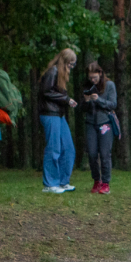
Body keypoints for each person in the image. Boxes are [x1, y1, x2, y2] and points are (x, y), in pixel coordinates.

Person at [39, 48, 78, 194]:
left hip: (59, 115)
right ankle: (50, 184)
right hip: (49, 114)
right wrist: (66, 99)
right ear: (65, 62)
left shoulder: (60, 75)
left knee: (68, 148)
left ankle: (63, 181)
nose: (71, 68)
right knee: (53, 148)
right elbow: (46, 91)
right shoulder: (53, 71)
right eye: (70, 64)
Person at [82, 62, 117, 195]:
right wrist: (86, 101)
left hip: (105, 122)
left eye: (95, 78)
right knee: (91, 153)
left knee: (104, 154)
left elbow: (113, 104)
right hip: (90, 123)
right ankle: (96, 180)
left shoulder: (109, 85)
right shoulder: (87, 87)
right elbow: (82, 108)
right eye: (90, 78)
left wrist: (98, 100)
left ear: (100, 74)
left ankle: (106, 182)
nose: (93, 80)